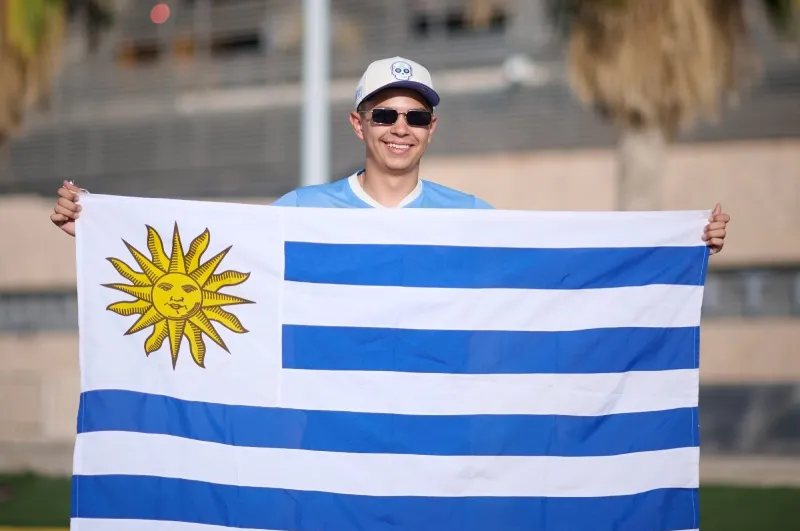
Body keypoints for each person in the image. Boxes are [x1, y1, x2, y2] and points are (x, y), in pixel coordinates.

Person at [50, 56, 731, 253]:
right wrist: (100, 228)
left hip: (434, 433)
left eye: (416, 114)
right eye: (386, 113)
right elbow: (224, 261)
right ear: (359, 123)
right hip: (326, 430)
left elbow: (558, 267)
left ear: (432, 128)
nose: (400, 126)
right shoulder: (300, 210)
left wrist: (678, 243)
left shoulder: (473, 217)